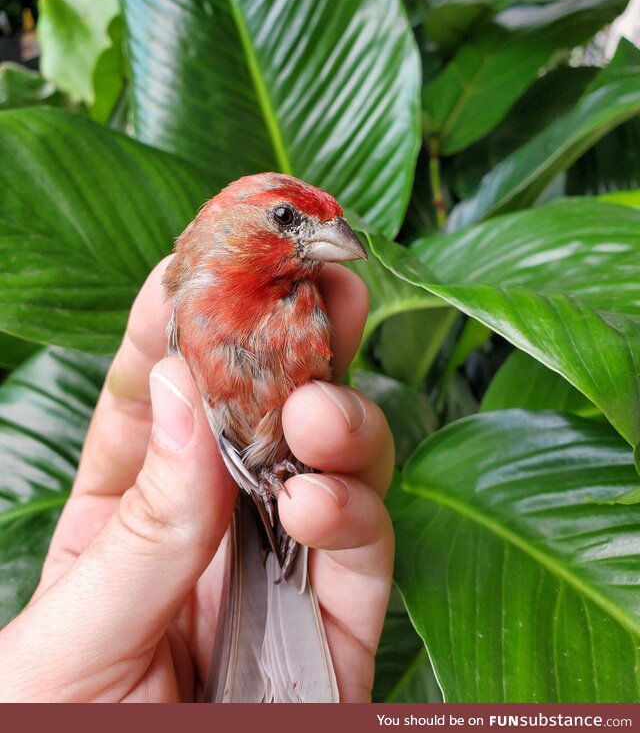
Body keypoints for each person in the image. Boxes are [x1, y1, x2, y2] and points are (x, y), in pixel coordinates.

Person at [0, 258, 395, 702]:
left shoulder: (305, 297)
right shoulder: (200, 294)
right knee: (312, 476)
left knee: (320, 456)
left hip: (285, 478)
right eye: (287, 219)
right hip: (246, 479)